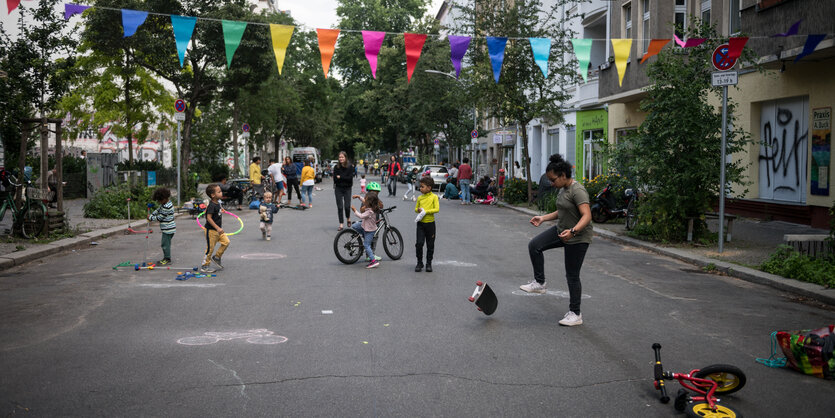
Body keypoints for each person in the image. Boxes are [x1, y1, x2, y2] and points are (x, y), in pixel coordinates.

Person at [521, 154, 593, 327]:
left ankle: (575, 314)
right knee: (535, 245)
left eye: (553, 180)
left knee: (572, 275)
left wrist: (573, 232)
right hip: (562, 231)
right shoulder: (563, 189)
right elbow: (561, 211)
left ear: (562, 175)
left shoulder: (577, 190)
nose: (551, 183)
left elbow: (587, 216)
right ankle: (540, 283)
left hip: (578, 237)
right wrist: (543, 218)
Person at [202, 184, 230, 273]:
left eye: (221, 191)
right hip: (211, 230)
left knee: (226, 242)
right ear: (213, 195)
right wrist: (217, 228)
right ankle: (205, 266)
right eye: (219, 192)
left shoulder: (218, 203)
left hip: (218, 230)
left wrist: (222, 210)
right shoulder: (211, 205)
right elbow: (208, 218)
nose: (221, 193)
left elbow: (218, 209)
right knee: (210, 249)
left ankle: (217, 257)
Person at [414, 177, 439, 272]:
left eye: (422, 187)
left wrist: (426, 211)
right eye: (420, 186)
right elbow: (416, 209)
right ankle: (419, 262)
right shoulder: (420, 198)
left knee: (430, 245)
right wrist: (419, 210)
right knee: (419, 243)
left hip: (430, 224)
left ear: (429, 188)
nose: (420, 188)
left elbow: (437, 209)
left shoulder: (434, 197)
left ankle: (429, 263)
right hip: (420, 224)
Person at [351, 193, 381, 269]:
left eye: (366, 200)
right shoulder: (370, 206)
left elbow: (361, 216)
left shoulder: (370, 211)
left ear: (369, 202)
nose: (364, 202)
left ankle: (373, 261)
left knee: (366, 245)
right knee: (354, 226)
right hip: (365, 226)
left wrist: (354, 210)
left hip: (369, 231)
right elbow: (364, 201)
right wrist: (358, 197)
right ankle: (364, 235)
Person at [148, 187, 175, 265]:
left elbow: (160, 217)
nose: (159, 202)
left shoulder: (167, 207)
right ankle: (166, 257)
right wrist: (153, 214)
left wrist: (151, 218)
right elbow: (158, 210)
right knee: (166, 243)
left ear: (165, 198)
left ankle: (167, 258)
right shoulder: (164, 204)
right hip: (167, 228)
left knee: (165, 244)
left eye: (160, 200)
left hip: (168, 229)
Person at [333, 151, 354, 230]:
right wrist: (342, 178)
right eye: (340, 157)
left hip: (347, 188)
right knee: (340, 207)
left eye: (342, 157)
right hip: (338, 188)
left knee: (347, 206)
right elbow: (335, 179)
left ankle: (348, 218)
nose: (341, 159)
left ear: (345, 158)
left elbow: (349, 179)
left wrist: (340, 177)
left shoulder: (349, 167)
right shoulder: (336, 167)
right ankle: (341, 224)